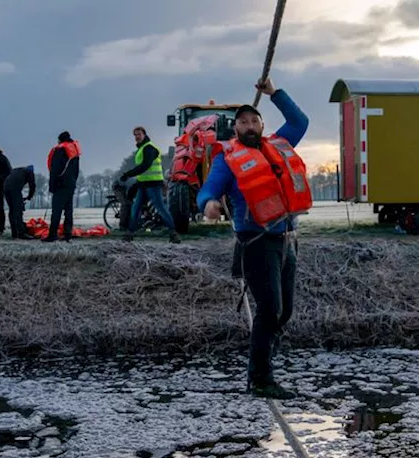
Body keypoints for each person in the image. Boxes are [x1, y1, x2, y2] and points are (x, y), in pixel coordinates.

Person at [197, 77, 310, 400]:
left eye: (253, 120)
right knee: (270, 309)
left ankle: (263, 364)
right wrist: (209, 203)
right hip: (256, 243)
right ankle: (260, 379)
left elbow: (300, 121)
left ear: (262, 124)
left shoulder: (278, 145)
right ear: (235, 129)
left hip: (288, 241)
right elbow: (209, 188)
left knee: (284, 311)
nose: (249, 125)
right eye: (243, 122)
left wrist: (274, 93)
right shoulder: (227, 159)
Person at [119, 126, 179, 244]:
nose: (137, 137)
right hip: (143, 184)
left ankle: (173, 233)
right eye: (135, 135)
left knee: (160, 208)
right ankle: (130, 234)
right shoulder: (142, 148)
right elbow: (143, 169)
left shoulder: (149, 148)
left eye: (139, 134)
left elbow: (145, 166)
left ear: (144, 135)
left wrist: (128, 174)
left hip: (153, 184)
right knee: (136, 208)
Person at [45, 131, 80, 242]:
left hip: (60, 184)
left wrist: (51, 186)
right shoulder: (74, 150)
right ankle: (67, 234)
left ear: (60, 140)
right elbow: (76, 170)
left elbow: (54, 170)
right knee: (68, 210)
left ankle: (52, 235)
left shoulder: (59, 150)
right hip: (71, 184)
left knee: (56, 210)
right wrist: (73, 181)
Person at [2, 165, 36, 240]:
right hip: (14, 188)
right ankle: (21, 233)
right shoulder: (29, 172)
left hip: (5, 187)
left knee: (12, 210)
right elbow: (32, 185)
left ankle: (14, 233)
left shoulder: (18, 170)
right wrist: (29, 197)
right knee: (18, 211)